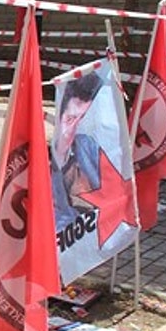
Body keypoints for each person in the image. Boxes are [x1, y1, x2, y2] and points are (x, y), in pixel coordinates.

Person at [50, 71, 103, 230]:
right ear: (60, 117)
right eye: (71, 119)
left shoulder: (89, 147)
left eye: (82, 120)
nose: (75, 129)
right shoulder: (51, 159)